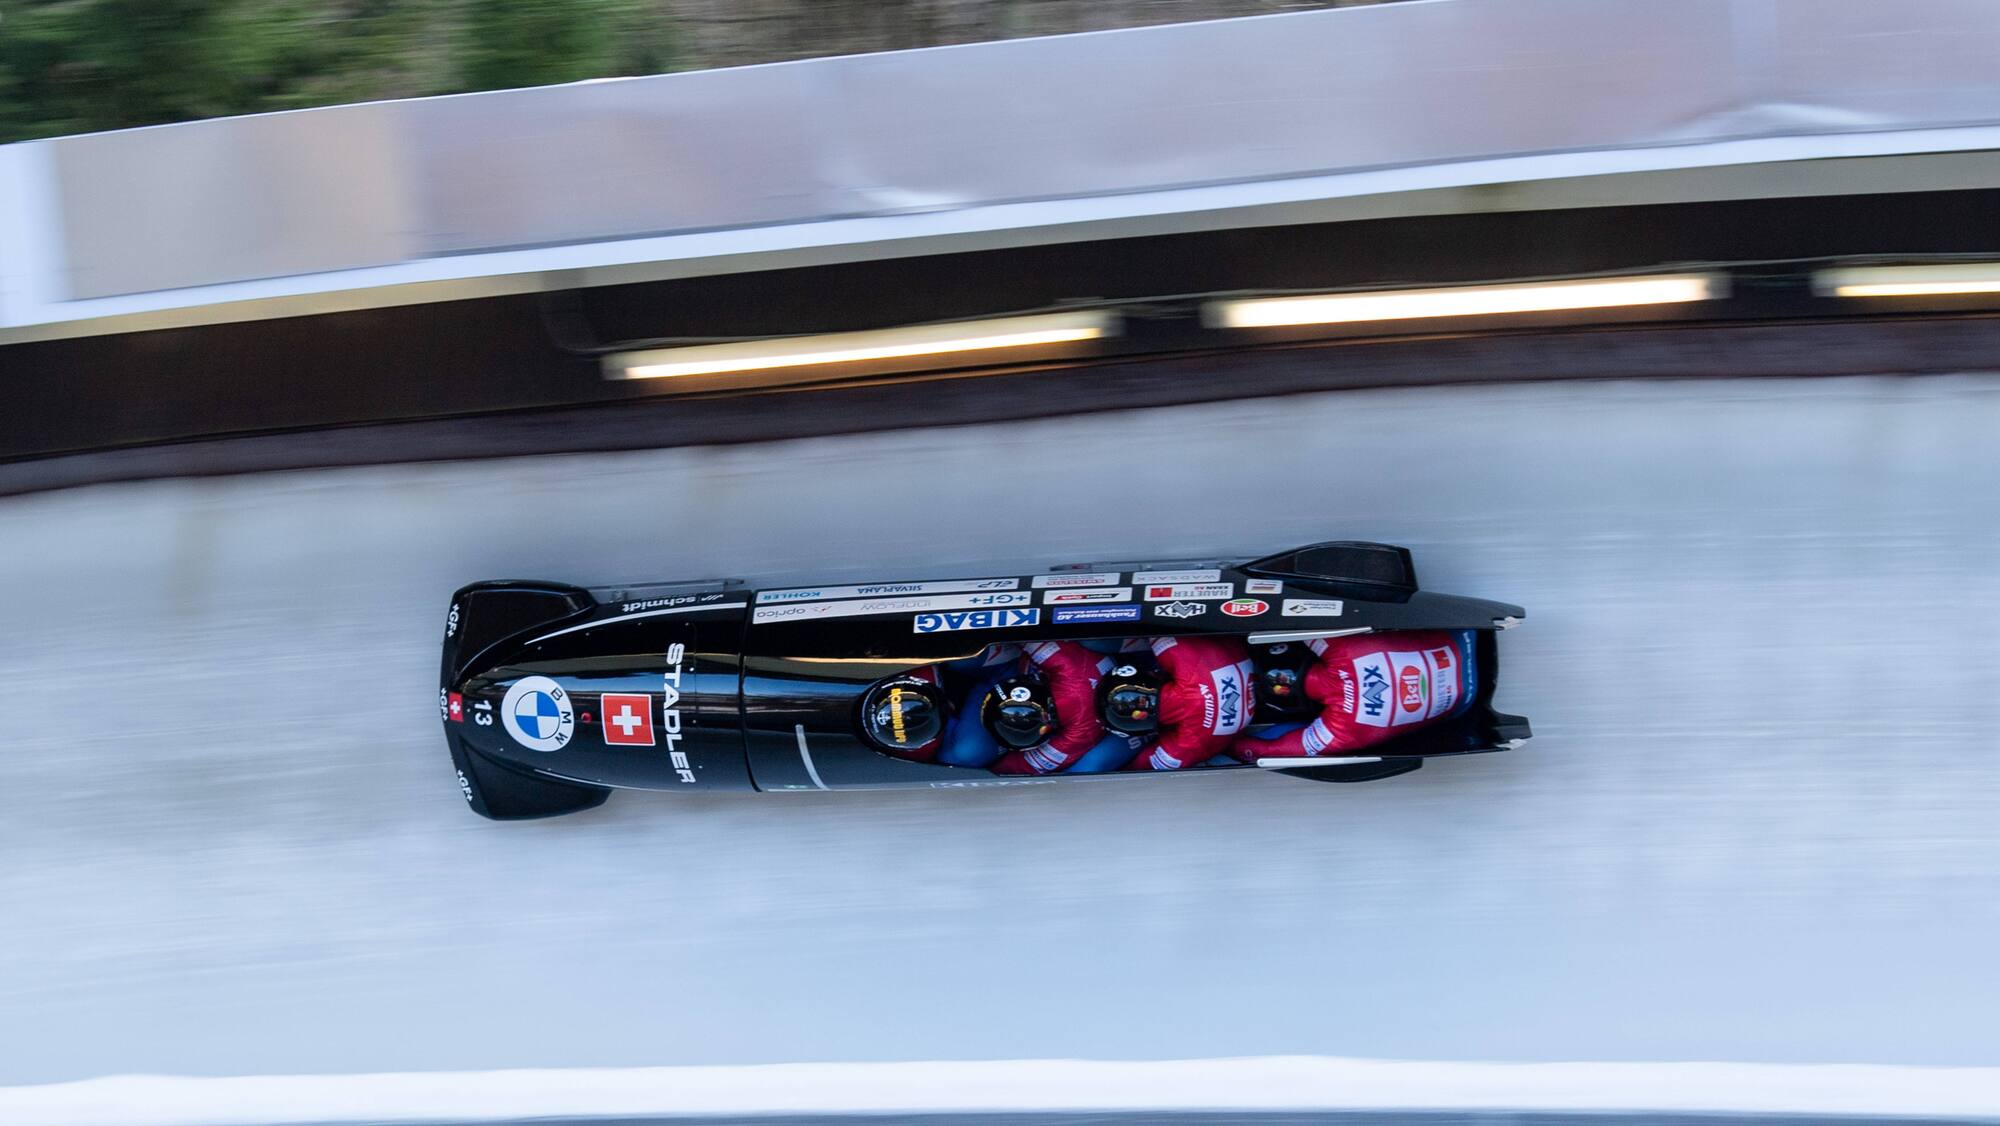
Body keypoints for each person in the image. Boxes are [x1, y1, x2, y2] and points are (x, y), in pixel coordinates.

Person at [1232, 630, 1478, 761]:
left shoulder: (1341, 728)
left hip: (1462, 705)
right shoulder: (1338, 647)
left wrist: (1228, 746)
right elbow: (1293, 618)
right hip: (1464, 637)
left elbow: (1271, 750)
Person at [1104, 635, 1257, 771]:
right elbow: (1156, 625)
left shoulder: (1187, 745)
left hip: (1245, 722)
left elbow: (1140, 768)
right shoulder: (1179, 653)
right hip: (1247, 650)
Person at [987, 640, 1113, 775]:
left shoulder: (1081, 732)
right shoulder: (1063, 662)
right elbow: (1023, 632)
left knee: (972, 753)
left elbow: (1029, 764)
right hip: (1016, 663)